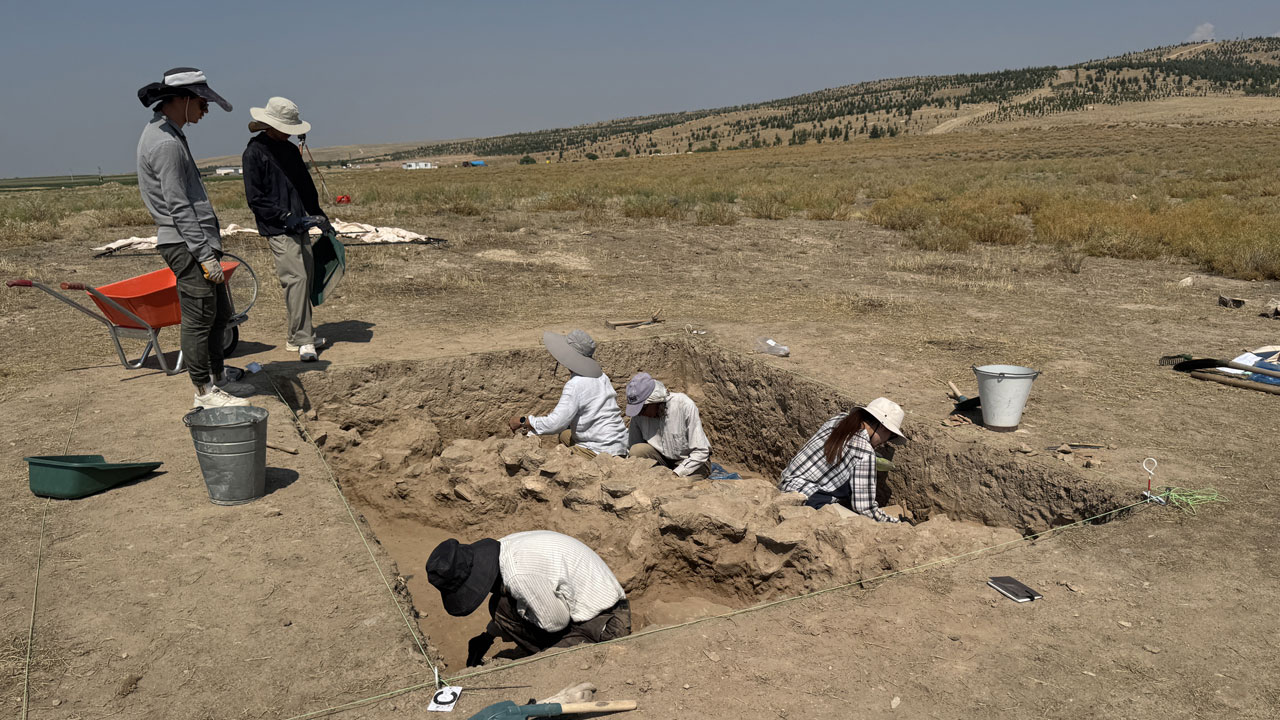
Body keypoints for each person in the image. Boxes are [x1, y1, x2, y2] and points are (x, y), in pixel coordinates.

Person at [136, 67, 250, 408]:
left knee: (218, 315)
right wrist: (203, 254)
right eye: (201, 102)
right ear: (182, 100)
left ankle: (219, 379)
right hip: (186, 244)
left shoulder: (169, 133)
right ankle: (204, 392)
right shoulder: (165, 143)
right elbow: (178, 205)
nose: (206, 109)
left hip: (193, 241)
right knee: (200, 316)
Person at [426, 531, 630, 666]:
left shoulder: (517, 575)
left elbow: (556, 622)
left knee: (546, 665)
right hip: (589, 608)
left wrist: (524, 611)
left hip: (605, 623)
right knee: (500, 605)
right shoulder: (505, 548)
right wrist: (488, 635)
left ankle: (545, 658)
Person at [241, 97, 333, 362]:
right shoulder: (254, 153)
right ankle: (303, 340)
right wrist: (285, 216)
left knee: (305, 277)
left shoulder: (290, 151)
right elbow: (256, 199)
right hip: (277, 227)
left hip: (301, 224)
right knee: (296, 280)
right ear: (270, 125)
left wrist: (318, 214)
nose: (289, 133)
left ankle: (298, 335)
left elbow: (305, 186)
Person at [778, 397, 906, 522]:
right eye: (891, 436)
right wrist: (895, 524)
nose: (884, 443)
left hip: (785, 486)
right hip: (806, 500)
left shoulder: (839, 420)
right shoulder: (865, 452)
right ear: (883, 428)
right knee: (860, 525)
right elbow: (865, 509)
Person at [507, 330, 627, 457]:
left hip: (600, 449)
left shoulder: (575, 384)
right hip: (620, 443)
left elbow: (556, 423)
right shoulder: (602, 377)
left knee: (558, 459)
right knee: (565, 435)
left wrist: (524, 421)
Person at [624, 372, 711, 478]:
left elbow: (701, 451)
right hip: (663, 461)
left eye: (642, 409)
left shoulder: (684, 405)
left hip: (691, 462)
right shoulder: (639, 416)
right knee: (637, 450)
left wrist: (676, 473)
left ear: (655, 401)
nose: (640, 413)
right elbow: (633, 448)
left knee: (681, 486)